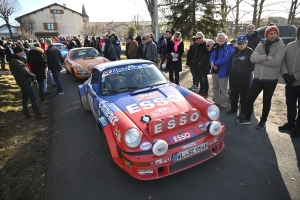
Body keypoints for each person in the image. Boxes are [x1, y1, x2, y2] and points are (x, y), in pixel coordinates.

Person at [236, 26, 285, 130]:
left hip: (271, 79)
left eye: (274, 33)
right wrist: (266, 57)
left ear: (277, 34)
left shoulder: (280, 46)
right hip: (257, 78)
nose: (273, 35)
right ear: (266, 35)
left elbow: (276, 62)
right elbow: (253, 59)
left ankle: (263, 122)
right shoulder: (260, 44)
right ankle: (247, 118)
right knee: (249, 99)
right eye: (270, 33)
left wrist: (260, 58)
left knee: (266, 101)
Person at [9, 46, 47, 119]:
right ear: (18, 53)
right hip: (24, 82)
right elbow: (23, 71)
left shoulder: (16, 59)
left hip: (24, 81)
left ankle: (26, 114)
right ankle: (37, 114)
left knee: (25, 98)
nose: (23, 53)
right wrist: (33, 75)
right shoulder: (15, 61)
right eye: (21, 52)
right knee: (33, 97)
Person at [279, 26, 300, 138]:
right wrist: (285, 74)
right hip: (290, 82)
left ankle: (298, 128)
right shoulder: (290, 46)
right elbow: (283, 61)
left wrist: (296, 76)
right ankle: (291, 123)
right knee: (290, 103)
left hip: (298, 82)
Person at [226, 35, 254, 117]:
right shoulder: (235, 51)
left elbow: (253, 66)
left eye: (243, 43)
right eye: (240, 43)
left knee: (244, 97)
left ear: (247, 43)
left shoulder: (250, 52)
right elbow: (231, 63)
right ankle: (233, 109)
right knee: (233, 94)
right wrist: (230, 72)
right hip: (233, 77)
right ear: (237, 44)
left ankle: (243, 112)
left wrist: (244, 74)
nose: (242, 45)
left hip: (244, 79)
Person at [210, 33, 234, 110]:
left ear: (225, 39)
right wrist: (212, 63)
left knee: (223, 89)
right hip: (214, 71)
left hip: (223, 71)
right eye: (219, 38)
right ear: (217, 39)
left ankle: (224, 104)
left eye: (222, 38)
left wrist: (216, 63)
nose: (221, 39)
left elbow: (227, 59)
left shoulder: (229, 47)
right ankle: (217, 102)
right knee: (215, 88)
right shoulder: (215, 47)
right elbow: (211, 56)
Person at [192, 32, 210, 97]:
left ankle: (205, 91)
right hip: (197, 65)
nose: (198, 39)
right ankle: (201, 90)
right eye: (197, 38)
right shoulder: (196, 45)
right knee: (199, 78)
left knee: (204, 79)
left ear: (203, 37)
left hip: (203, 66)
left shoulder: (205, 44)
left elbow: (206, 55)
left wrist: (201, 62)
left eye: (200, 38)